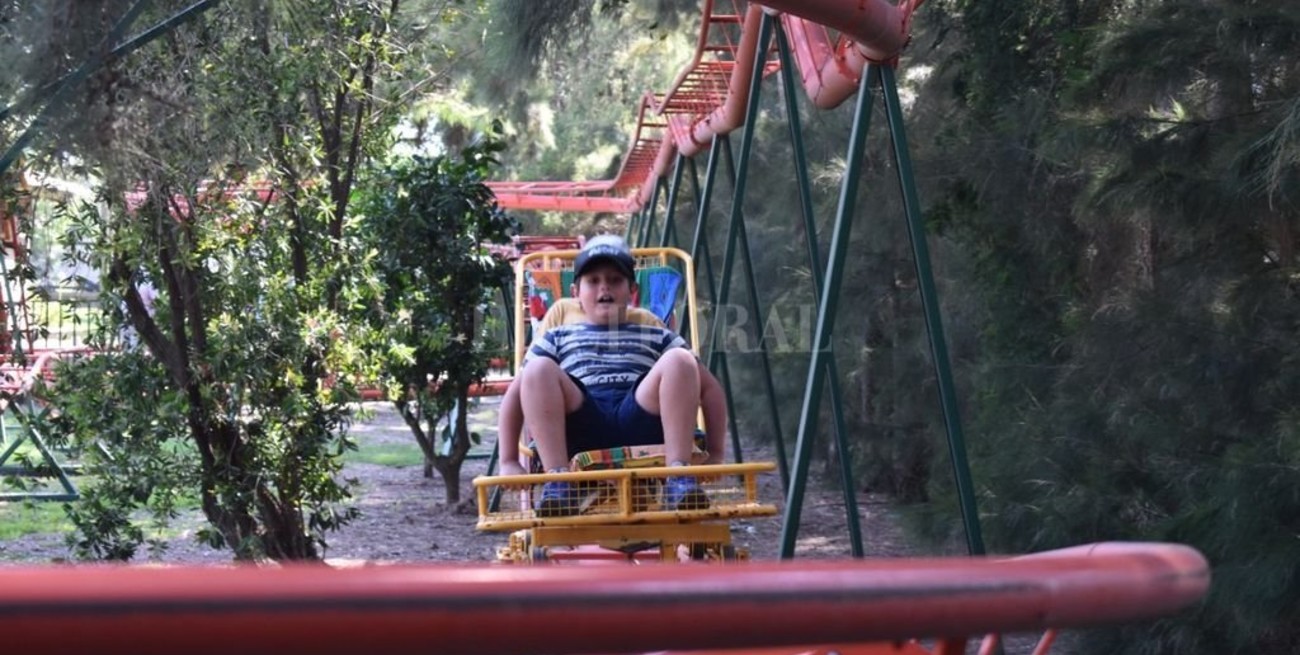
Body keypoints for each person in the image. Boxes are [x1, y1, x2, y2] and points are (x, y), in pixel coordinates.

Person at [509, 235, 715, 516]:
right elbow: (518, 391)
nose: (604, 286)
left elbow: (710, 389)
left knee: (681, 359)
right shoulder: (558, 335)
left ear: (632, 290)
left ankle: (678, 476)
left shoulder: (654, 331)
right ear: (575, 293)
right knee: (536, 368)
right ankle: (558, 480)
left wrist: (716, 451)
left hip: (640, 419)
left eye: (615, 280)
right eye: (593, 281)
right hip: (582, 422)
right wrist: (509, 458)